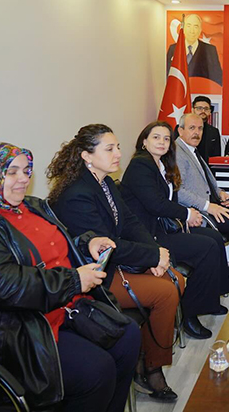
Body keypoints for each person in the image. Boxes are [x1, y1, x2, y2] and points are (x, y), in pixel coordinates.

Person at [0, 142, 140, 411]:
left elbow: (55, 246)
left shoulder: (31, 206)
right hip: (19, 325)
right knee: (96, 371)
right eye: (12, 172)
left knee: (128, 336)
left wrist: (87, 243)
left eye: (26, 171)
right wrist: (73, 281)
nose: (23, 179)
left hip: (63, 304)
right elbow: (8, 285)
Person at [47, 125, 180, 402]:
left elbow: (130, 221)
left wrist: (155, 251)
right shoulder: (76, 193)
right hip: (95, 278)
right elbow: (107, 247)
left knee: (176, 278)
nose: (118, 154)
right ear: (87, 156)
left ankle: (144, 357)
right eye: (109, 149)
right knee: (167, 291)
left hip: (116, 264)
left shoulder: (105, 182)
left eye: (117, 147)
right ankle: (151, 369)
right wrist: (151, 257)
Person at [121, 121, 229, 338]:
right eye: (156, 137)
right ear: (144, 142)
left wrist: (184, 218)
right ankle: (190, 314)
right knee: (207, 247)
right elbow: (155, 204)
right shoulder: (140, 165)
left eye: (166, 138)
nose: (162, 142)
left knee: (214, 238)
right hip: (148, 235)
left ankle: (209, 300)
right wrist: (187, 214)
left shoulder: (162, 164)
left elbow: (168, 200)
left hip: (163, 227)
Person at [175, 113, 229, 290]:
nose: (197, 133)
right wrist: (208, 206)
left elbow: (206, 179)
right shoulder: (177, 153)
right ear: (180, 130)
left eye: (200, 128)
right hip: (200, 211)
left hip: (213, 201)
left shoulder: (192, 149)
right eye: (192, 128)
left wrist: (220, 193)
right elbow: (178, 191)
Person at [166, 14, 223, 85]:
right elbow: (167, 74)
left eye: (195, 27)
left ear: (200, 30)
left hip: (202, 90)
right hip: (178, 90)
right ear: (183, 29)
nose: (192, 31)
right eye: (188, 26)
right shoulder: (173, 49)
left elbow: (218, 78)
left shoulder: (210, 50)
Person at [192, 96, 221, 162]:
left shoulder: (214, 132)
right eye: (199, 108)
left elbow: (216, 158)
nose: (203, 111)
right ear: (193, 110)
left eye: (206, 109)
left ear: (210, 111)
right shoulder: (183, 128)